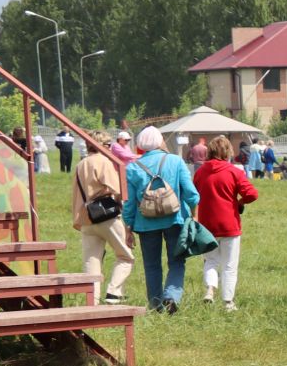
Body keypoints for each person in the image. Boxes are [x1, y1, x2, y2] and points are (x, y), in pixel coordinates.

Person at [121, 126, 199, 314]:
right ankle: (171, 297)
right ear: (160, 141)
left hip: (145, 222)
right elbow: (191, 193)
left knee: (151, 264)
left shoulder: (132, 167)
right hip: (175, 219)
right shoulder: (175, 161)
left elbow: (129, 203)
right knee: (177, 261)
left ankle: (156, 305)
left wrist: (128, 229)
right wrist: (195, 216)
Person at [194, 134, 258, 311]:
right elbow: (252, 194)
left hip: (207, 226)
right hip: (229, 224)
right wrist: (239, 202)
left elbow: (193, 195)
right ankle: (228, 302)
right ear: (228, 151)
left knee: (210, 261)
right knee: (229, 266)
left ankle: (210, 290)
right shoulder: (234, 172)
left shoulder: (200, 172)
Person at [70, 142, 133, 304]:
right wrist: (119, 203)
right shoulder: (103, 161)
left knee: (91, 261)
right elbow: (117, 189)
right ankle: (114, 292)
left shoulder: (80, 164)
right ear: (103, 145)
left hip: (86, 217)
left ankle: (93, 300)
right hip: (107, 216)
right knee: (125, 256)